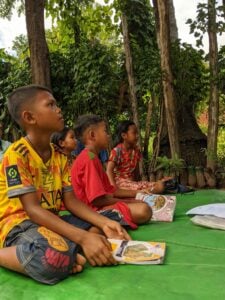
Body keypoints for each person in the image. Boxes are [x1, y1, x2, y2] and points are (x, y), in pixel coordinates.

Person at [0, 85, 130, 285]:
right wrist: (83, 239)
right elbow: (33, 211)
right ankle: (63, 252)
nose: (58, 109)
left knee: (111, 220)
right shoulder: (16, 155)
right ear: (30, 117)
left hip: (49, 221)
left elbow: (71, 201)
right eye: (50, 105)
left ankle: (67, 252)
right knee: (52, 259)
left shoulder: (59, 156)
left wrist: (104, 223)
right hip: (19, 225)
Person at [71, 114, 152, 230]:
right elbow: (98, 200)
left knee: (141, 203)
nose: (108, 136)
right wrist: (128, 203)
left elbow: (112, 191)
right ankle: (97, 226)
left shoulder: (92, 157)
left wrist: (137, 193)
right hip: (93, 211)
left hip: (101, 205)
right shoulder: (89, 159)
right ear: (92, 135)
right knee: (144, 210)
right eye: (105, 131)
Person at [106, 120, 165, 194]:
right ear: (124, 135)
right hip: (120, 184)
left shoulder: (136, 150)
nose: (137, 136)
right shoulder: (116, 151)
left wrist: (137, 183)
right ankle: (134, 193)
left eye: (137, 133)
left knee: (160, 186)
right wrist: (114, 188)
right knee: (153, 188)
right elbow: (109, 171)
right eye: (134, 133)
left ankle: (139, 192)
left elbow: (136, 171)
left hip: (132, 184)